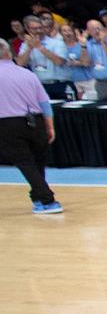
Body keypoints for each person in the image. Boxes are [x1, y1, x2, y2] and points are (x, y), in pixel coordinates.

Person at [0, 41, 61, 214]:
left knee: (25, 162)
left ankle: (47, 199)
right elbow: (44, 103)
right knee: (37, 162)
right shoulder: (27, 74)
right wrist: (50, 127)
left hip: (7, 123)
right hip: (36, 121)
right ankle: (38, 197)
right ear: (9, 53)